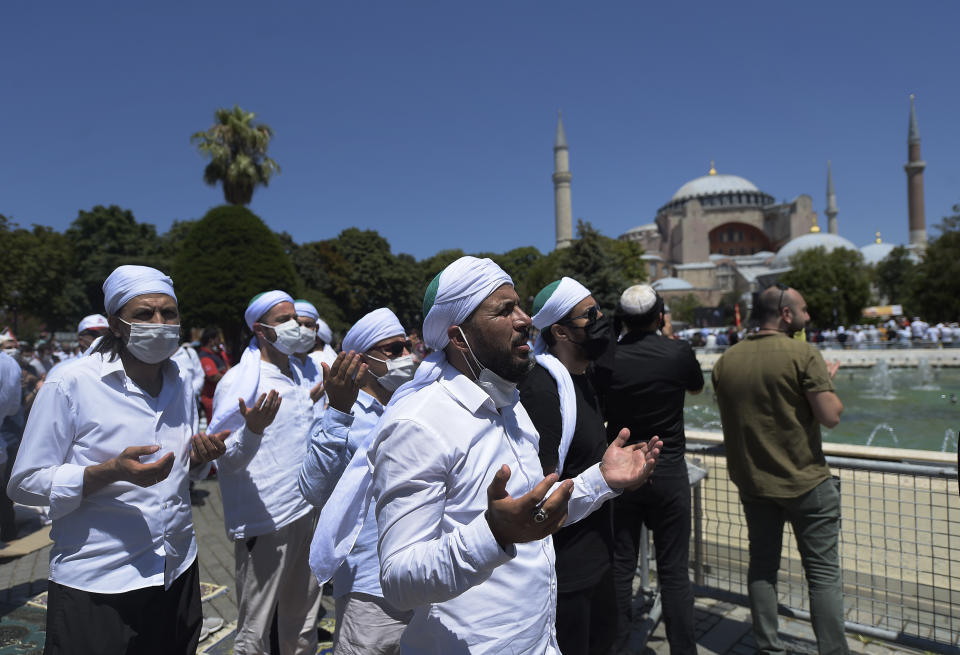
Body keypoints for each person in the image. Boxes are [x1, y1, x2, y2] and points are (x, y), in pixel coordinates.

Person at [358, 256, 661, 654]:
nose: (525, 320)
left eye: (519, 305)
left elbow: (535, 515)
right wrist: (494, 534)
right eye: (504, 310)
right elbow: (399, 581)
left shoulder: (511, 405)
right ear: (459, 336)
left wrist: (601, 480)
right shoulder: (419, 423)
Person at [7, 264, 231, 654]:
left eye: (169, 313)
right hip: (99, 580)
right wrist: (108, 472)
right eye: (144, 314)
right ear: (115, 323)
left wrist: (198, 460)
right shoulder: (71, 383)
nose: (159, 323)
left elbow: (179, 475)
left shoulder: (179, 382)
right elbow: (25, 483)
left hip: (175, 571)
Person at [712, 284, 848, 655]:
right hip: (807, 483)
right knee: (822, 577)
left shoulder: (727, 360)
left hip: (755, 484)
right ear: (786, 315)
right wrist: (828, 385)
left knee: (762, 568)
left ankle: (767, 648)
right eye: (803, 310)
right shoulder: (803, 354)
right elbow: (830, 416)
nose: (808, 316)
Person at [207, 290, 321, 655]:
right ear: (260, 330)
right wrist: (253, 430)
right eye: (284, 320)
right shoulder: (242, 382)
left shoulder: (302, 374)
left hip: (307, 512)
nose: (295, 326)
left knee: (302, 626)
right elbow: (225, 460)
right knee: (255, 632)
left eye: (297, 318)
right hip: (266, 521)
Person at [301, 307, 416, 654]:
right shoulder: (340, 416)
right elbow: (314, 490)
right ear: (361, 361)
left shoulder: (412, 403)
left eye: (407, 346)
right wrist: (337, 413)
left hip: (421, 572)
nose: (407, 357)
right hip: (371, 585)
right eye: (394, 350)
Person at [518, 277, 619, 655]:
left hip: (598, 554)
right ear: (559, 331)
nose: (600, 320)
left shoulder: (584, 378)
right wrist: (609, 477)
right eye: (589, 315)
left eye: (599, 311)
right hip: (566, 568)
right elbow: (540, 489)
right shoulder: (543, 389)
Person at [602, 284, 703, 654]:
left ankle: (615, 645)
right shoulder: (677, 351)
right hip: (667, 469)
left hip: (623, 472)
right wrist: (669, 336)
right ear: (659, 315)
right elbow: (695, 388)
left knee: (620, 565)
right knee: (675, 572)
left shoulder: (608, 356)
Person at [292, 299, 327, 417]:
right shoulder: (282, 365)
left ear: (316, 329)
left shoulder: (317, 365)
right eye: (298, 324)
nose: (302, 329)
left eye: (308, 325)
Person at [198, 327, 231, 422]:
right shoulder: (205, 356)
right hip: (211, 401)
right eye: (218, 339)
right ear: (211, 340)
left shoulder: (219, 354)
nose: (220, 342)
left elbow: (228, 368)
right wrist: (231, 378)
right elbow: (213, 376)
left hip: (223, 397)